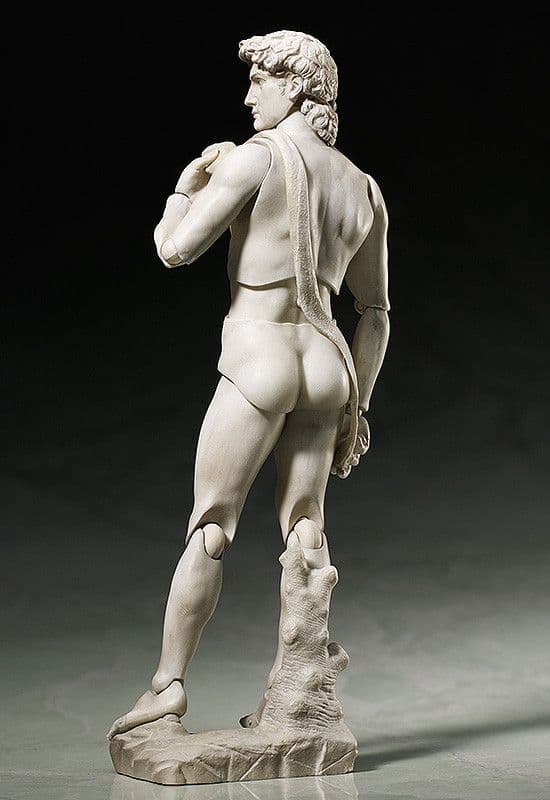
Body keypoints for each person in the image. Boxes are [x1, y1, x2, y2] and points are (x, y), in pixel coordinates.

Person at [108, 29, 389, 739]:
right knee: (306, 528)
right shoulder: (362, 186)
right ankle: (298, 692)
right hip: (328, 369)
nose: (248, 95)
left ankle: (168, 687)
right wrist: (360, 405)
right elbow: (376, 311)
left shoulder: (255, 158)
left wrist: (187, 186)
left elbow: (174, 250)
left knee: (212, 525)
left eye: (259, 79)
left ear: (295, 86)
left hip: (260, 357)